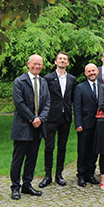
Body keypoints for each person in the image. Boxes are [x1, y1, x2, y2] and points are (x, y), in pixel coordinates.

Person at [10, 54, 50, 200]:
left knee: (32, 158)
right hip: (23, 125)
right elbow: (19, 103)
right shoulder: (19, 81)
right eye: (34, 64)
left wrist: (41, 118)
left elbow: (47, 103)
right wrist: (32, 118)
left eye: (40, 64)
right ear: (28, 64)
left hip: (38, 126)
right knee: (18, 158)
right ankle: (15, 187)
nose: (37, 66)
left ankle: (27, 184)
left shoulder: (43, 82)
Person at [39, 52, 77, 188]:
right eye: (60, 59)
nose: (62, 61)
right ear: (55, 62)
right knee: (49, 147)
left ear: (67, 63)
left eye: (65, 59)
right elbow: (43, 97)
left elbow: (72, 97)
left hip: (65, 117)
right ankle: (47, 175)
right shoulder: (48, 78)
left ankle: (59, 174)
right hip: (51, 117)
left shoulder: (72, 79)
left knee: (62, 146)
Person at [73, 64, 101, 187]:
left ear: (97, 72)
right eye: (89, 71)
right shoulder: (80, 88)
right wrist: (78, 123)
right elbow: (77, 107)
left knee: (94, 150)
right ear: (85, 73)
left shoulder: (102, 87)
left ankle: (90, 173)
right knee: (83, 150)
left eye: (93, 70)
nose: (91, 73)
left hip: (99, 124)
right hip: (84, 124)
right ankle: (81, 175)